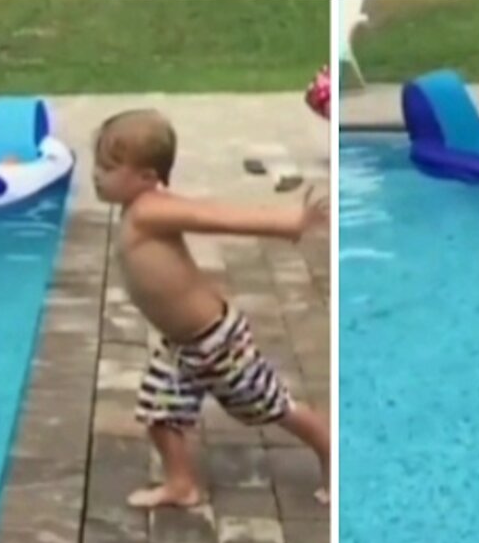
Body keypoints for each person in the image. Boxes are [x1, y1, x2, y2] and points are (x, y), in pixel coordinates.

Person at [92, 108, 331, 507]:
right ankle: (182, 485)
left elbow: (215, 217)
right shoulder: (137, 209)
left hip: (215, 342)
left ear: (148, 177)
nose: (96, 175)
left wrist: (290, 222)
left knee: (270, 406)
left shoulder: (152, 209)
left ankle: (330, 449)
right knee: (159, 411)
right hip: (182, 345)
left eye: (108, 167)